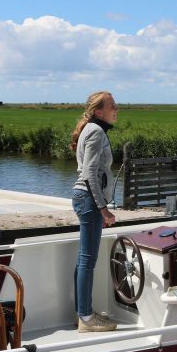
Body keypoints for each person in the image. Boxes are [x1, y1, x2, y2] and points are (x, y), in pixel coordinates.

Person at [70, 91, 119, 333]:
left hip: (84, 198)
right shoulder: (97, 132)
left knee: (84, 259)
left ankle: (82, 312)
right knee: (88, 260)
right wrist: (103, 209)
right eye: (112, 106)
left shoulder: (90, 129)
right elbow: (89, 173)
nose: (116, 109)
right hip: (89, 200)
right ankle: (87, 318)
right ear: (99, 111)